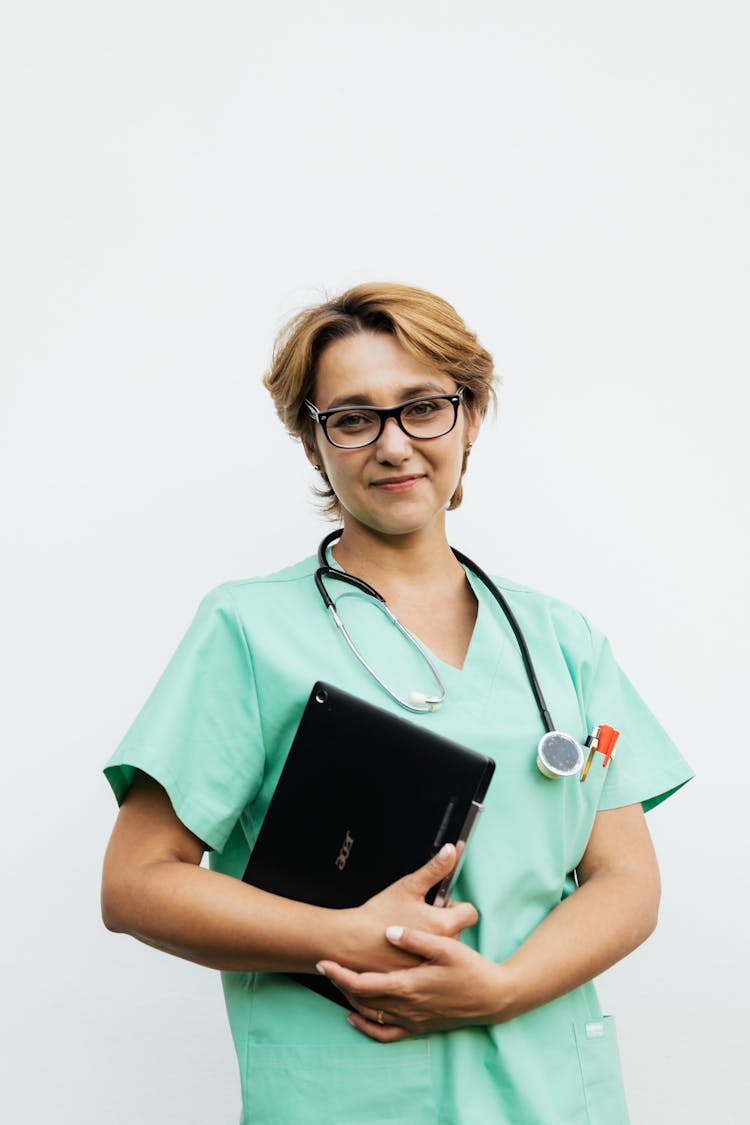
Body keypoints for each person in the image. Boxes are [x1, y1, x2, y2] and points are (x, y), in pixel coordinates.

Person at [101, 282, 693, 1124]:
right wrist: (335, 935)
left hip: (552, 1092)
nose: (394, 445)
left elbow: (627, 878)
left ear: (471, 416)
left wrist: (501, 989)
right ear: (314, 445)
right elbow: (136, 883)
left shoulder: (562, 639)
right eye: (352, 418)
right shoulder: (246, 628)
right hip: (350, 1089)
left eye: (423, 408)